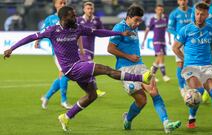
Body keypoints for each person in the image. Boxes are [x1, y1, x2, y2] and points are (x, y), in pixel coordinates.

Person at [3, 6, 152, 132]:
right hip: (71, 68)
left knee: (92, 96)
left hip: (77, 66)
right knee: (106, 69)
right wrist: (11, 48)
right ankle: (141, 78)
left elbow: (98, 32)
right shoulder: (52, 30)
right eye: (72, 17)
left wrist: (119, 33)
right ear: (63, 18)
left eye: (75, 16)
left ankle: (66, 117)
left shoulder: (77, 28)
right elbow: (30, 37)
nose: (75, 18)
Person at [108, 5, 181, 133]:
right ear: (128, 17)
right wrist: (128, 56)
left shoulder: (134, 28)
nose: (137, 24)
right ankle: (128, 119)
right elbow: (110, 48)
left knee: (153, 90)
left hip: (140, 66)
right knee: (142, 101)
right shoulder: (119, 28)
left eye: (139, 21)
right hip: (125, 69)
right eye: (136, 20)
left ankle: (166, 123)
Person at [172, 2, 212, 129]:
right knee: (198, 92)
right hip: (190, 67)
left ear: (207, 15)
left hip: (207, 66)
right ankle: (192, 118)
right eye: (197, 14)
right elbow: (175, 48)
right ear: (194, 14)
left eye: (202, 14)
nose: (199, 16)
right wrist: (186, 60)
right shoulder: (186, 29)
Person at [34, 0, 72, 109]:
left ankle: (46, 96)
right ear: (55, 5)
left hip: (70, 51)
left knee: (65, 75)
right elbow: (43, 31)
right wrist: (37, 40)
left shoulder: (70, 17)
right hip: (58, 52)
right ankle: (64, 100)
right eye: (61, 3)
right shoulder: (50, 19)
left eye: (64, 3)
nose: (63, 5)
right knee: (65, 74)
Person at [77, 1, 106, 97]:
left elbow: (102, 32)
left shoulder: (97, 20)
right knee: (91, 68)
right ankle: (95, 90)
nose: (90, 10)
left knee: (85, 71)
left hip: (91, 49)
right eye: (88, 8)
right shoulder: (78, 20)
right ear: (84, 10)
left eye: (91, 8)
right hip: (81, 49)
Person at [167, 0, 192, 95]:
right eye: (181, 0)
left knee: (191, 64)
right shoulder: (174, 13)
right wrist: (179, 35)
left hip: (191, 42)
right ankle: (182, 87)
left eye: (185, 0)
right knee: (180, 64)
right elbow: (170, 28)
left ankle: (189, 85)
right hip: (179, 43)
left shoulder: (193, 11)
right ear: (178, 1)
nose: (183, 1)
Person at [141, 4, 171, 83]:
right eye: (158, 9)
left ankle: (151, 74)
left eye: (161, 9)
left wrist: (170, 39)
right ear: (156, 10)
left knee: (159, 58)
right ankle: (164, 75)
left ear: (163, 10)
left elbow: (168, 29)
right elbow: (147, 29)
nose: (160, 11)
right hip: (156, 41)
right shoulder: (153, 19)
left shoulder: (166, 18)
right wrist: (144, 41)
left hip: (163, 41)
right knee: (160, 55)